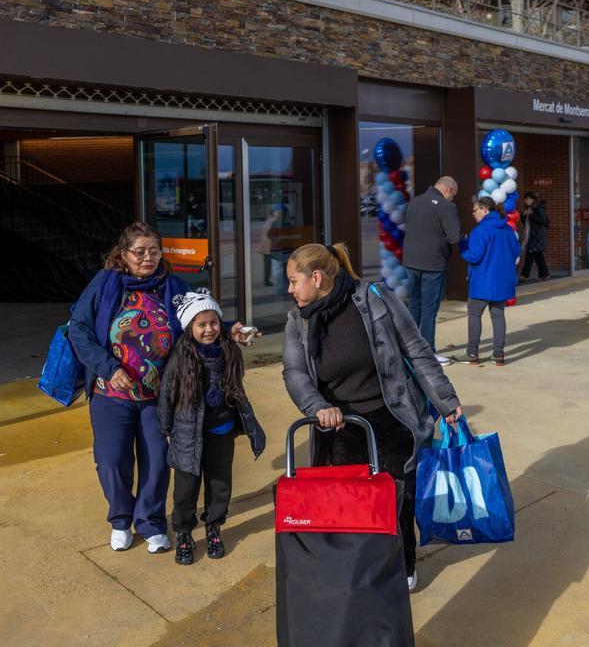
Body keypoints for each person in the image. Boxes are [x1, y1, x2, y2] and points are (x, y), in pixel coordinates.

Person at [282, 243, 462, 592]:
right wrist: (318, 407)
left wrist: (446, 400)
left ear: (316, 278)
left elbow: (416, 349)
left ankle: (403, 565)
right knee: (351, 505)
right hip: (340, 428)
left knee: (398, 499)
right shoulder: (297, 322)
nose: (290, 290)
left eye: (293, 281)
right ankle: (360, 569)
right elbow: (295, 372)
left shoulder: (375, 299)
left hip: (392, 417)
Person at [69, 222, 256, 554]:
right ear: (123, 254)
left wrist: (228, 330)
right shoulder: (105, 283)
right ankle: (120, 519)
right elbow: (79, 330)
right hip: (112, 392)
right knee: (112, 461)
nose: (148, 258)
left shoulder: (172, 285)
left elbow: (197, 318)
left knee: (157, 461)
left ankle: (151, 522)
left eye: (154, 251)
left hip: (159, 394)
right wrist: (109, 368)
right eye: (139, 252)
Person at [158, 290, 265, 566]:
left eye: (214, 322)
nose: (209, 329)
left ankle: (214, 526)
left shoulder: (229, 352)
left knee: (220, 485)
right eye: (201, 324)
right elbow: (167, 395)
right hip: (187, 435)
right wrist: (167, 429)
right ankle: (184, 533)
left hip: (221, 431)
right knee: (185, 490)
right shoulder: (180, 358)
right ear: (190, 327)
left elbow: (236, 390)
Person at [402, 176, 461, 366]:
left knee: (414, 305)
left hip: (411, 262)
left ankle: (409, 349)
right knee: (429, 309)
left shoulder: (415, 202)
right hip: (433, 264)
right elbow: (454, 237)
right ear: (449, 189)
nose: (452, 198)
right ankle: (428, 353)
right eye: (453, 195)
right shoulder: (446, 206)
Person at [460, 197, 522, 365]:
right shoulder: (507, 229)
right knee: (498, 315)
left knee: (474, 313)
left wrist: (463, 244)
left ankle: (472, 353)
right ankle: (498, 354)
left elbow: (473, 256)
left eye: (475, 210)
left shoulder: (480, 231)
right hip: (502, 281)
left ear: (484, 209)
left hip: (483, 281)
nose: (473, 214)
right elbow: (516, 251)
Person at [519, 192, 550, 281]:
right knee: (538, 255)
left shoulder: (538, 209)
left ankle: (524, 275)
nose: (525, 201)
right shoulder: (529, 209)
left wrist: (531, 215)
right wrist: (524, 215)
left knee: (530, 254)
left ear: (532, 200)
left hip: (535, 236)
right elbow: (526, 222)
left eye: (527, 199)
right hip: (530, 235)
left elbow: (542, 220)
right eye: (525, 199)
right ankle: (544, 274)